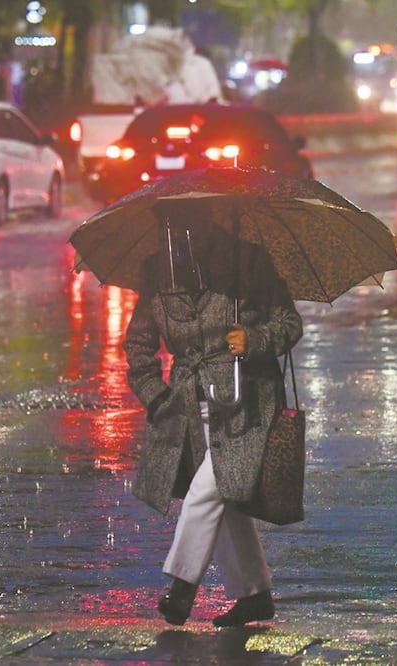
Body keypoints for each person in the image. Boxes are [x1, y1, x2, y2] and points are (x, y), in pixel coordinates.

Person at [123, 201, 303, 627]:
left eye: (190, 221)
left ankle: (182, 588)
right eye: (169, 225)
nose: (180, 234)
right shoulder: (158, 272)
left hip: (248, 403)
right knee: (227, 500)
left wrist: (256, 338)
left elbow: (289, 323)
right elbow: (138, 347)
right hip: (188, 406)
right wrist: (157, 397)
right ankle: (254, 594)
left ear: (209, 219)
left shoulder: (250, 261)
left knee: (210, 488)